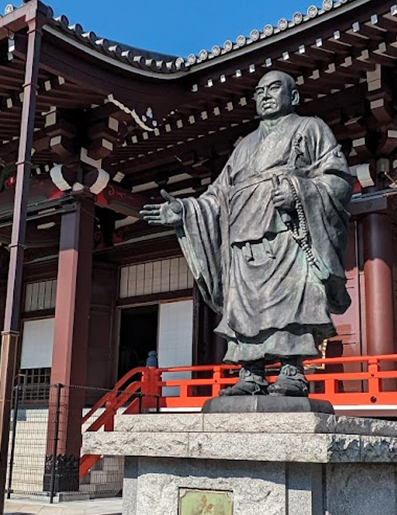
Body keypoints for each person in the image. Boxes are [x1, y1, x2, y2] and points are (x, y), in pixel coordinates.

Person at [142, 71, 353, 397]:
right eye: (259, 92)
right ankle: (250, 372)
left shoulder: (311, 129)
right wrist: (184, 211)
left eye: (273, 89)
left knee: (290, 301)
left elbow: (338, 180)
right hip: (241, 237)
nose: (265, 95)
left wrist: (299, 191)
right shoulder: (245, 146)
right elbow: (217, 196)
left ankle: (292, 371)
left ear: (293, 97)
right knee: (245, 305)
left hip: (286, 229)